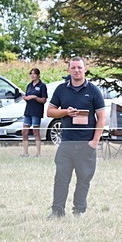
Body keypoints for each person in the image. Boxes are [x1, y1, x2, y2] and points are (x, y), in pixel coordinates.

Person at [46, 57, 106, 218]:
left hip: (86, 143)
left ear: (85, 69)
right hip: (66, 143)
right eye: (73, 68)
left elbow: (101, 117)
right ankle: (57, 211)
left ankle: (79, 211)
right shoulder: (61, 89)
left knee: (84, 179)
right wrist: (65, 112)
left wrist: (94, 142)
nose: (76, 70)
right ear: (69, 70)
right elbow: (50, 111)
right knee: (61, 179)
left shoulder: (93, 91)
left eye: (79, 67)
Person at [21, 68, 48, 157]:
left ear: (38, 75)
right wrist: (26, 98)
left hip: (36, 111)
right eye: (31, 74)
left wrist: (35, 97)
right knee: (24, 132)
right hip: (28, 110)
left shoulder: (42, 86)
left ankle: (38, 153)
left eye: (34, 74)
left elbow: (44, 100)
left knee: (36, 132)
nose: (32, 75)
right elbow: (27, 96)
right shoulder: (29, 85)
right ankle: (25, 153)